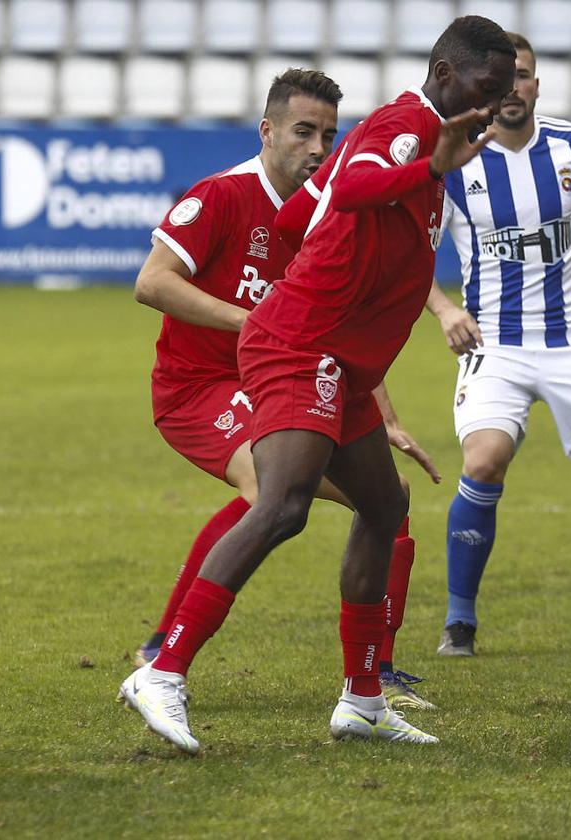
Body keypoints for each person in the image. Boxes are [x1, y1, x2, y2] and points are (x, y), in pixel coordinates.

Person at [118, 16, 517, 755]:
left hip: (340, 358)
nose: (492, 106)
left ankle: (363, 699)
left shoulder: (408, 141)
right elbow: (364, 181)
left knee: (384, 504)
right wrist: (429, 168)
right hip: (300, 347)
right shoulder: (408, 132)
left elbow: (317, 204)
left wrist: (331, 247)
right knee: (282, 504)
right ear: (444, 76)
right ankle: (163, 667)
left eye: (502, 93)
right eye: (485, 90)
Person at [129, 68, 441, 712]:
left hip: (290, 380)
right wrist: (250, 318)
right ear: (266, 131)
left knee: (391, 498)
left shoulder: (324, 208)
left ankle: (375, 674)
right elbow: (151, 282)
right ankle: (163, 651)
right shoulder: (221, 196)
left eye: (329, 134)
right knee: (270, 493)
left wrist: (383, 414)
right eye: (303, 131)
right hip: (200, 388)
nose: (317, 147)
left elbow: (340, 323)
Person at [425, 32, 571, 658]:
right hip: (493, 341)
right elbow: (408, 254)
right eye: (504, 80)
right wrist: (444, 306)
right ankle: (460, 621)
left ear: (537, 83)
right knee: (483, 462)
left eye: (524, 76)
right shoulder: (452, 159)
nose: (514, 90)